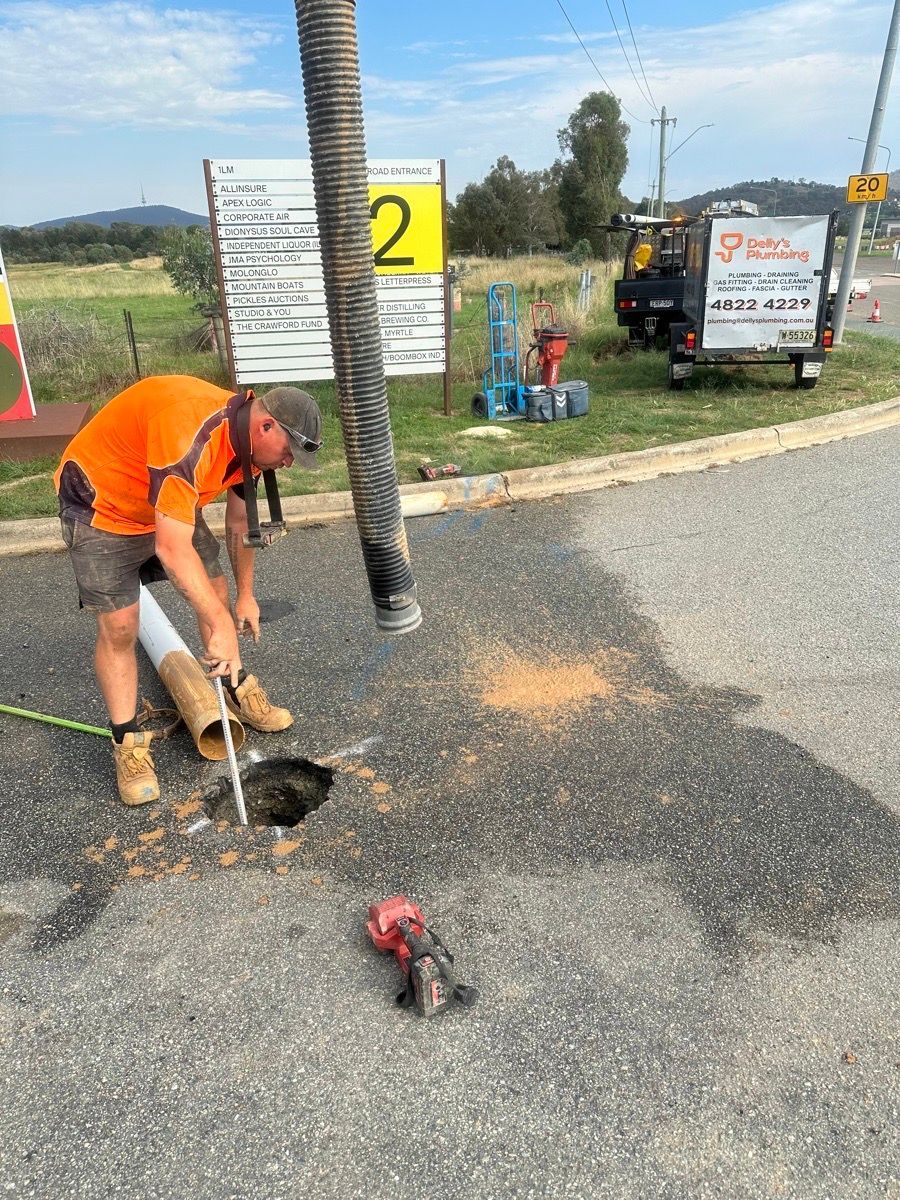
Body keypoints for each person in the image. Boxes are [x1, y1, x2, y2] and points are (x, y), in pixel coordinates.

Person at [54, 375, 323, 807]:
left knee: (214, 589)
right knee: (122, 626)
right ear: (266, 426)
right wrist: (220, 624)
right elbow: (170, 547)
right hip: (103, 505)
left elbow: (239, 524)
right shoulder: (191, 433)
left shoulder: (249, 446)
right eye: (289, 454)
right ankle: (127, 743)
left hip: (166, 504)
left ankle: (234, 685)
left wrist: (243, 597)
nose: (288, 464)